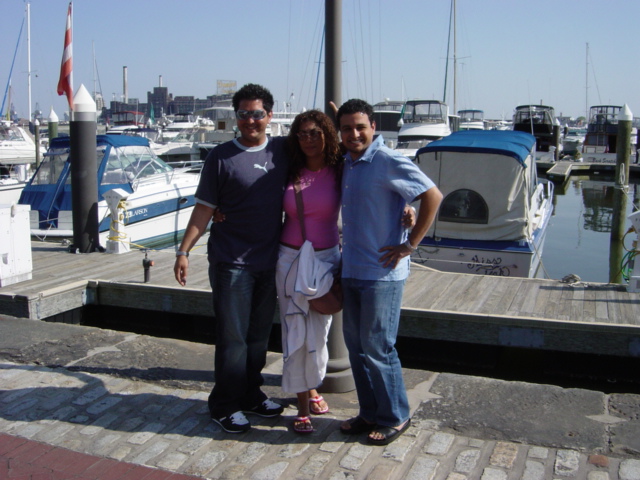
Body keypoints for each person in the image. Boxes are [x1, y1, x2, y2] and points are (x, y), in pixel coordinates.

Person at [173, 83, 286, 433]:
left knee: (258, 337)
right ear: (236, 117)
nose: (251, 120)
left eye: (257, 114)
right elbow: (204, 209)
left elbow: (326, 154)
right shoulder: (220, 157)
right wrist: (183, 251)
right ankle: (224, 404)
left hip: (269, 261)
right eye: (243, 114)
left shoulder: (283, 151)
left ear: (269, 115)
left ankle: (250, 394)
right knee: (233, 339)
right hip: (231, 262)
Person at [335, 98, 443, 445]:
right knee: (356, 347)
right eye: (347, 128)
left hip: (382, 273)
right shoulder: (348, 161)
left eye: (360, 127)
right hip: (352, 267)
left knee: (378, 347)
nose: (354, 134)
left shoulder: (387, 159)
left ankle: (396, 416)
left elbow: (433, 196)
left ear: (373, 127)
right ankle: (369, 412)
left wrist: (410, 244)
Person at [276, 110, 342, 434]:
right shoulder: (287, 167)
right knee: (295, 331)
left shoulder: (340, 169)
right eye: (302, 133)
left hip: (326, 260)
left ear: (327, 134)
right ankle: (302, 404)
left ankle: (312, 385)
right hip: (290, 260)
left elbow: (371, 174)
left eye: (315, 132)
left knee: (319, 331)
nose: (308, 139)